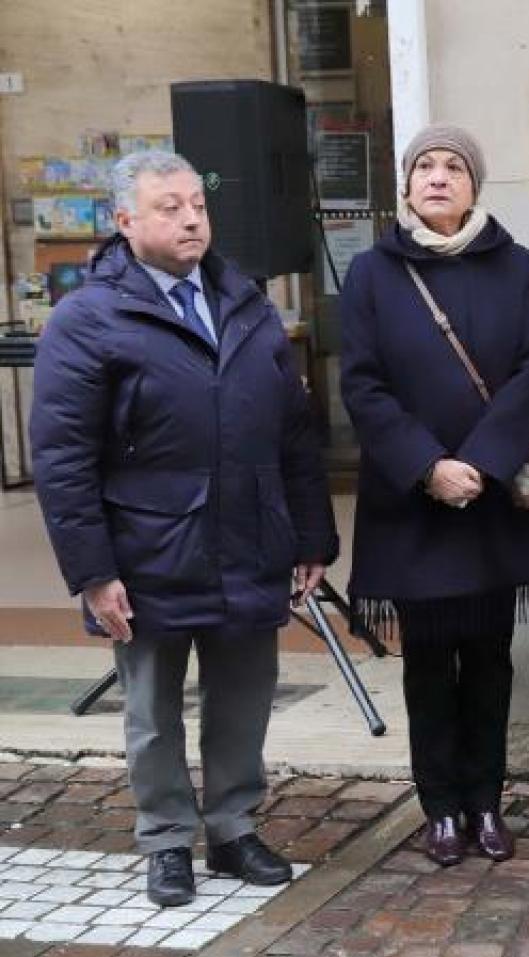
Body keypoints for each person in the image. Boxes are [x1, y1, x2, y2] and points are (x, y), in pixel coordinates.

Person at [31, 150, 337, 906]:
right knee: (152, 711)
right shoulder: (87, 318)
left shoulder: (246, 301)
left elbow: (294, 431)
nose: (191, 217)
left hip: (249, 539)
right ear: (125, 221)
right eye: (168, 207)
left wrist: (311, 535)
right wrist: (92, 570)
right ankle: (166, 837)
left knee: (243, 697)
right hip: (145, 552)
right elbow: (62, 457)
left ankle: (233, 826)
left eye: (197, 202)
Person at [340, 125, 529, 868]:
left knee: (489, 659)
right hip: (412, 506)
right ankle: (439, 807)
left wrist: (478, 462)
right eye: (424, 167)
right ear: (407, 184)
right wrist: (427, 465)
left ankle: (485, 800)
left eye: (453, 167)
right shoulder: (372, 274)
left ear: (476, 184)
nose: (438, 178)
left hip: (493, 499)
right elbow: (362, 385)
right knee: (426, 664)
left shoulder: (517, 267)